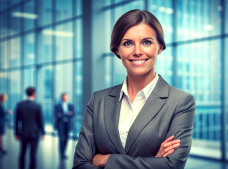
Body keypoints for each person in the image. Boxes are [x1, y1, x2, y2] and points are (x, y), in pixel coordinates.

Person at [73, 9, 196, 169]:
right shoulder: (99, 100)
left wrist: (106, 160)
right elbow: (80, 165)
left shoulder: (180, 102)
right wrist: (152, 163)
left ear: (159, 47)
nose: (137, 51)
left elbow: (171, 165)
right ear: (117, 50)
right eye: (127, 43)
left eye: (146, 42)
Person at [15, 87, 45, 169]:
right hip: (34, 133)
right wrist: (43, 132)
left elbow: (16, 120)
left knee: (22, 153)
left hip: (23, 132)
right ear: (34, 94)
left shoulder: (20, 105)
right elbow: (40, 120)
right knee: (33, 154)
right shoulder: (37, 105)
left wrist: (17, 133)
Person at [54, 93, 74, 159]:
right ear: (61, 98)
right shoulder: (57, 105)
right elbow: (56, 115)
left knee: (66, 138)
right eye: (63, 97)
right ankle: (61, 154)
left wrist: (62, 114)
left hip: (67, 124)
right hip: (60, 125)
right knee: (61, 138)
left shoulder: (70, 105)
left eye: (66, 97)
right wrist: (67, 114)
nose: (64, 98)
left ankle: (64, 152)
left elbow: (73, 114)